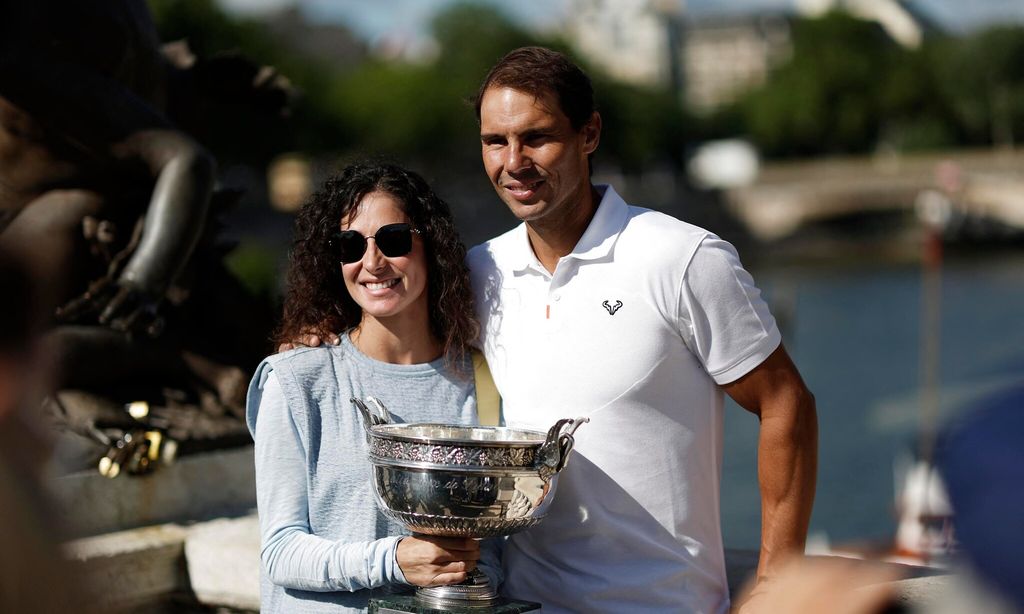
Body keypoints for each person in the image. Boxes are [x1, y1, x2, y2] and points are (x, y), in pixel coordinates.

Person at [466, 47, 818, 613]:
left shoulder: (681, 257)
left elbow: (787, 403)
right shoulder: (479, 270)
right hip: (523, 605)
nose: (513, 161)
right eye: (494, 141)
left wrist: (779, 579)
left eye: (536, 137)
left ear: (589, 134)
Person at [246, 161, 497, 612]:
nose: (373, 262)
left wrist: (467, 573)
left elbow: (491, 551)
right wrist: (395, 561)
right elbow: (280, 551)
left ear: (430, 246)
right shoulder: (296, 379)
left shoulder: (480, 386)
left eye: (394, 240)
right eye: (350, 246)